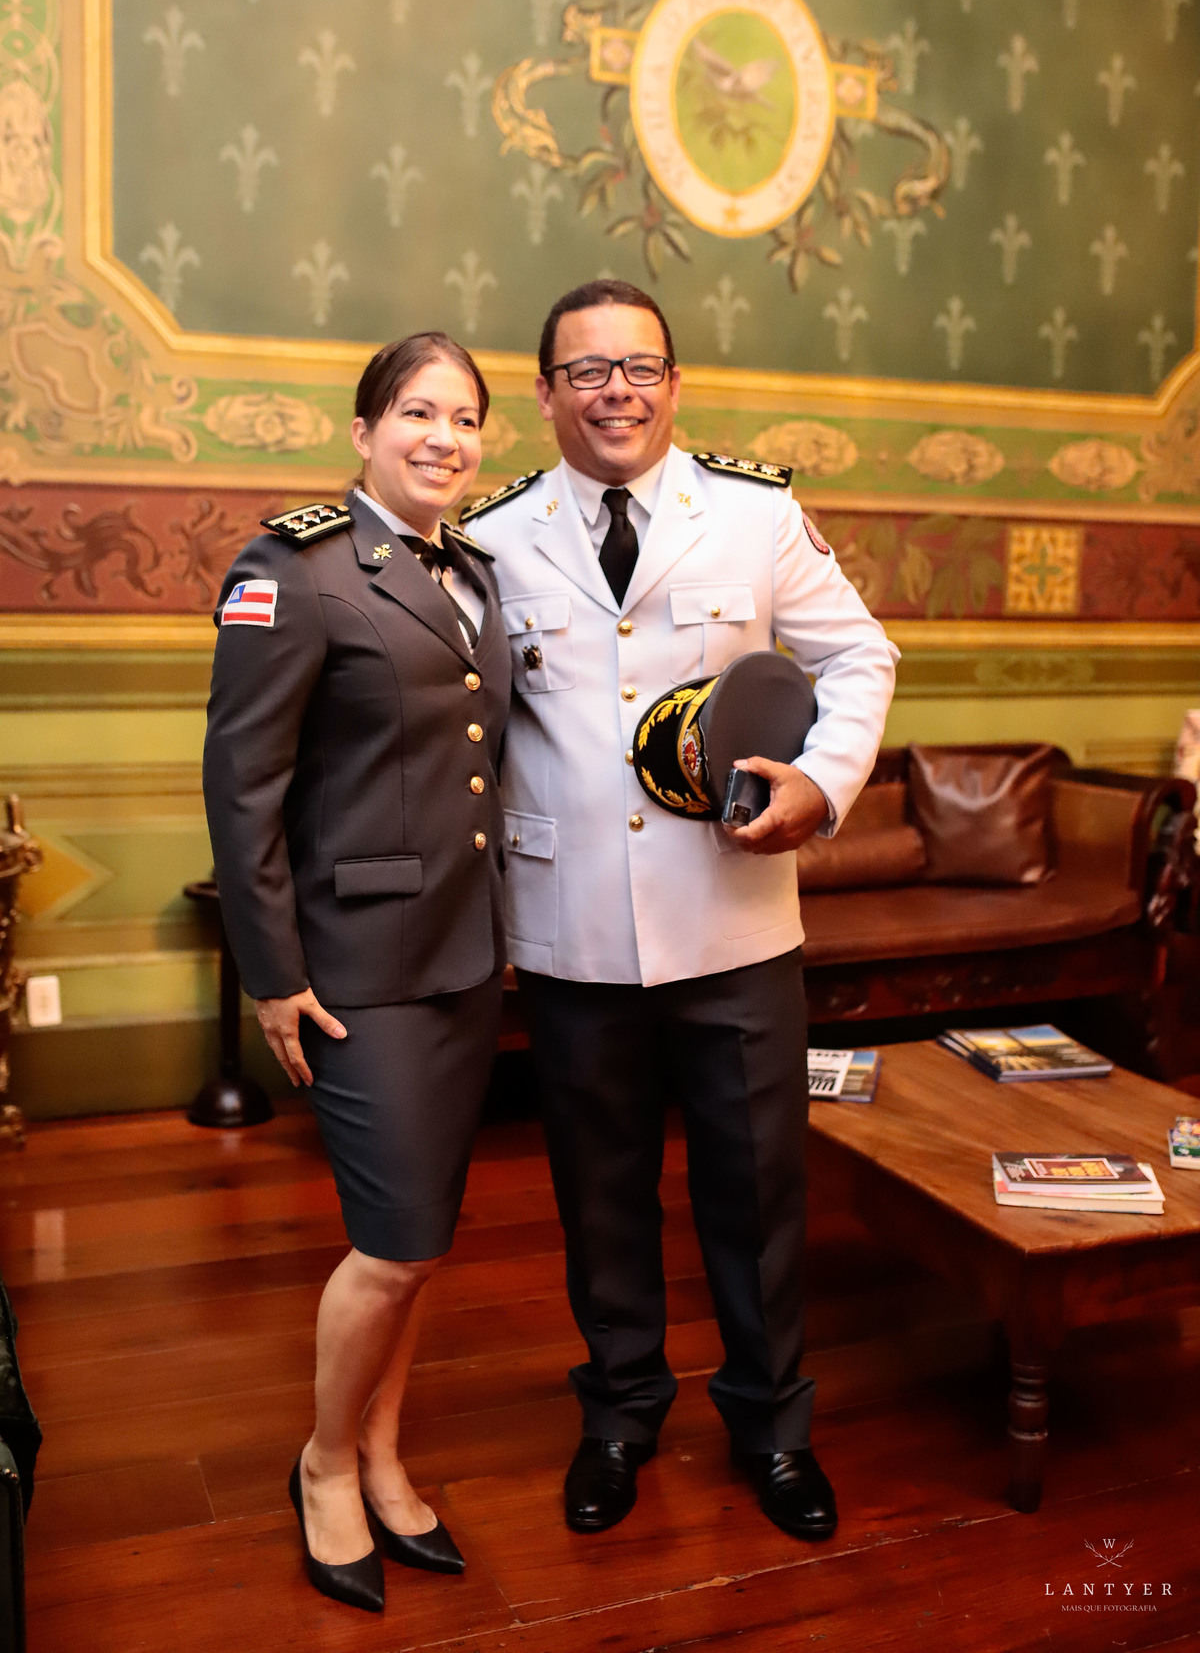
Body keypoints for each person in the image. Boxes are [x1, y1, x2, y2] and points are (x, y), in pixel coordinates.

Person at [463, 280, 897, 1541]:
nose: (616, 391)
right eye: (586, 372)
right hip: (573, 927)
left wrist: (822, 783)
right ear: (544, 394)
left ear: (673, 382)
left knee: (756, 1194)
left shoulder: (755, 517)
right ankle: (618, 1416)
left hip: (736, 922)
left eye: (640, 368)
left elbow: (860, 657)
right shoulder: (492, 538)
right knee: (599, 1193)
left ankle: (773, 1431)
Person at [203, 332, 509, 1613]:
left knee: (423, 1243)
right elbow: (243, 781)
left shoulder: (475, 569)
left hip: (464, 951)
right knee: (386, 1245)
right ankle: (326, 1465)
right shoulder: (296, 566)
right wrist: (270, 973)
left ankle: (385, 1452)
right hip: (356, 965)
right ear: (365, 429)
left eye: (465, 418)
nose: (444, 437)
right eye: (419, 413)